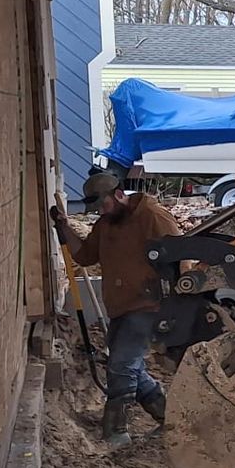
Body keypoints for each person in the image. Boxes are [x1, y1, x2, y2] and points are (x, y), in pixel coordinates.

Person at [49, 170, 180, 446]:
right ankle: (171, 418)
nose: (101, 213)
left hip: (149, 305)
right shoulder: (106, 224)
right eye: (97, 210)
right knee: (128, 366)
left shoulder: (153, 218)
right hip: (121, 307)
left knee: (122, 365)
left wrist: (175, 301)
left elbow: (181, 257)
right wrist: (64, 228)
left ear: (119, 195)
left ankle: (115, 432)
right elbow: (85, 255)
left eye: (104, 206)